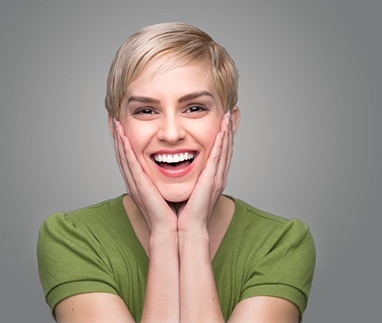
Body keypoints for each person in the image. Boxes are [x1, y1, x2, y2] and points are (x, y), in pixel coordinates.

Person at [37, 22, 315, 323]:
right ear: (116, 129)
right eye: (146, 110)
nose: (171, 133)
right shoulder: (72, 237)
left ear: (230, 123)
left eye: (194, 108)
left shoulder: (281, 243)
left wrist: (193, 233)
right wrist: (165, 235)